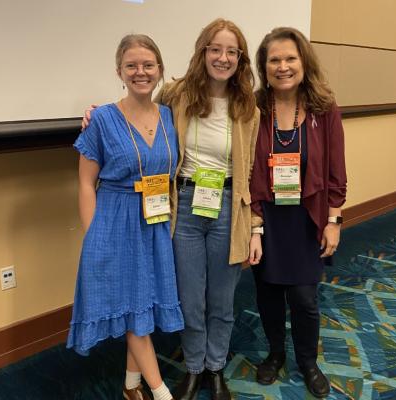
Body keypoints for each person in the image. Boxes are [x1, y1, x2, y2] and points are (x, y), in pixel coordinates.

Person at [67, 34, 184, 400]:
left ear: (160, 70)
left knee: (143, 304)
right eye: (131, 65)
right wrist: (95, 237)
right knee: (135, 311)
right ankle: (160, 390)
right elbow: (86, 183)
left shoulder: (168, 115)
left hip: (155, 221)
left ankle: (131, 387)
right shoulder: (101, 119)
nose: (140, 72)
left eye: (148, 65)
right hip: (114, 223)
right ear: (119, 71)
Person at [156, 19, 259, 400]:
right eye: (216, 49)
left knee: (221, 300)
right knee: (189, 297)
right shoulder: (175, 94)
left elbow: (251, 171)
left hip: (230, 210)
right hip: (184, 205)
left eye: (232, 51)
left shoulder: (249, 106)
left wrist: (256, 226)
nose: (223, 57)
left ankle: (216, 369)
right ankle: (194, 368)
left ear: (240, 59)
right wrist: (99, 113)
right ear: (203, 52)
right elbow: (141, 123)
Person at [248, 27, 347, 398]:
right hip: (267, 219)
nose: (283, 66)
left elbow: (337, 171)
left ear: (303, 61)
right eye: (274, 59)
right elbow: (246, 168)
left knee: (305, 300)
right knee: (269, 295)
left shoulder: (325, 108)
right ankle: (275, 353)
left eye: (290, 58)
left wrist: (334, 221)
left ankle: (308, 361)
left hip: (308, 218)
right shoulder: (253, 108)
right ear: (264, 65)